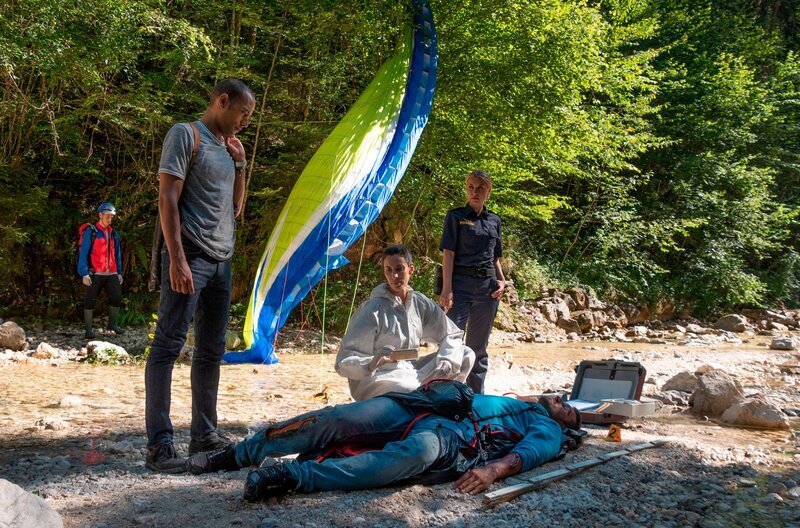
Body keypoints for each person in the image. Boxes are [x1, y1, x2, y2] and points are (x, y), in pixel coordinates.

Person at [185, 382, 583, 501]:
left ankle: (294, 476)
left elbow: (529, 455)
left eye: (569, 409)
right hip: (418, 405)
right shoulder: (519, 400)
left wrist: (492, 471)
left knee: (410, 455)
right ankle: (236, 454)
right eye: (563, 399)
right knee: (337, 418)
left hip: (452, 438)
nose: (562, 403)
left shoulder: (547, 428)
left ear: (567, 425)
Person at [145, 79, 255, 473]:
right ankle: (159, 446)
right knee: (167, 346)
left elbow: (236, 207)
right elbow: (167, 197)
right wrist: (175, 258)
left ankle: (204, 434)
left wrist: (240, 164)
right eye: (242, 113)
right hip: (189, 253)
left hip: (221, 259)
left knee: (211, 351)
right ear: (222, 101)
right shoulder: (184, 134)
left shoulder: (228, 148)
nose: (245, 122)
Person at [335, 245, 475, 401]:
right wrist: (370, 363)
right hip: (380, 377)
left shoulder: (420, 303)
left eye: (399, 269)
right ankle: (426, 398)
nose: (394, 276)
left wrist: (447, 361)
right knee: (409, 388)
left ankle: (441, 400)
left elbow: (451, 333)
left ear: (411, 269)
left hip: (411, 371)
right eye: (388, 270)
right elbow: (342, 362)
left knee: (466, 355)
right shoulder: (372, 309)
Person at [439, 170, 506, 394]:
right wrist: (446, 289)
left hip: (488, 289)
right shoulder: (456, 217)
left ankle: (476, 398)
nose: (474, 192)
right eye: (470, 187)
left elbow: (495, 257)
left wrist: (502, 280)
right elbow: (448, 253)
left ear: (488, 191)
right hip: (460, 286)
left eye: (480, 188)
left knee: (478, 347)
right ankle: (447, 395)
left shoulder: (494, 220)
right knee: (451, 343)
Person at [77, 201, 124, 339]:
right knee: (90, 300)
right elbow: (84, 253)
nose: (110, 219)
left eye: (111, 217)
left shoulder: (113, 233)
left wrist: (119, 272)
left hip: (112, 273)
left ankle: (112, 325)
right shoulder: (91, 232)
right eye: (107, 216)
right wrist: (84, 273)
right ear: (100, 215)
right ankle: (88, 330)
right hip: (95, 272)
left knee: (116, 298)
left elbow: (118, 254)